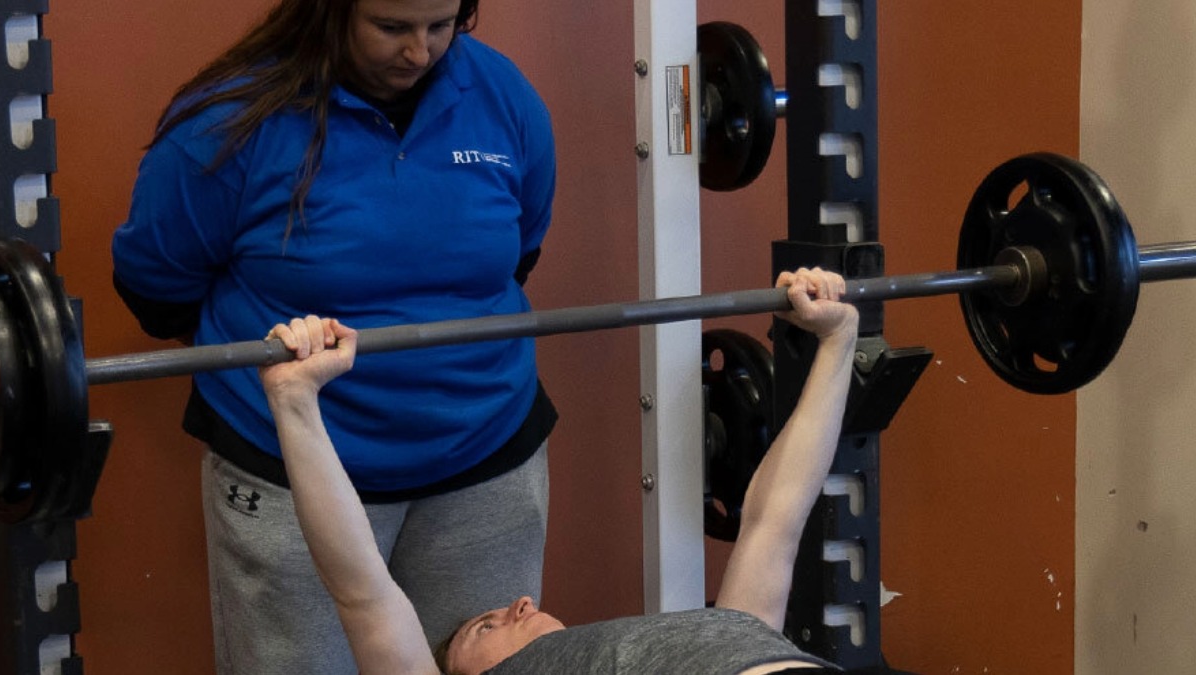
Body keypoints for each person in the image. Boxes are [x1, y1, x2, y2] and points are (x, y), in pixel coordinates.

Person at [109, 0, 557, 671]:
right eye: (392, 28)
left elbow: (519, 251)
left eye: (441, 26)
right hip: (290, 470)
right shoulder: (228, 122)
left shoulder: (503, 97)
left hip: (484, 461)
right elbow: (156, 289)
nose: (419, 52)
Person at [260, 267, 859, 675]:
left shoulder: (730, 630)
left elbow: (774, 519)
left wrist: (839, 337)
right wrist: (293, 401)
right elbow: (361, 590)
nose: (519, 602)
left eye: (488, 616)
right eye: (485, 627)